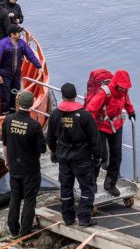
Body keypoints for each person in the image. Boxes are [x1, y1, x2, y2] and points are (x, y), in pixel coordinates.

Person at [46, 82, 101, 228]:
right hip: (82, 158)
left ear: (62, 96)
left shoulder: (55, 114)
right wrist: (98, 157)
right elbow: (94, 139)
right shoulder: (84, 115)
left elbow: (50, 137)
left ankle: (68, 218)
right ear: (76, 96)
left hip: (63, 157)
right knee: (87, 187)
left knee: (66, 187)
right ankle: (84, 218)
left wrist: (53, 151)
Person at [2, 90, 46, 237]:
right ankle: (25, 232)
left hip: (14, 165)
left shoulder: (8, 119)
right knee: (29, 199)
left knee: (15, 198)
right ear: (32, 105)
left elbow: (5, 144)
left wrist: (6, 160)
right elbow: (42, 149)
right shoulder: (34, 125)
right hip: (30, 168)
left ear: (19, 103)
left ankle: (13, 229)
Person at [85, 69, 135, 197]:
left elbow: (127, 101)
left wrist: (131, 111)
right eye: (122, 88)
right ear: (116, 84)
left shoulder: (124, 92)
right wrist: (90, 127)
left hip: (117, 126)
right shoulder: (104, 93)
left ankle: (110, 184)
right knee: (100, 156)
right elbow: (90, 110)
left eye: (126, 88)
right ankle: (92, 183)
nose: (124, 90)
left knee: (117, 157)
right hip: (100, 127)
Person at [0, 25, 42, 115]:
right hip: (5, 75)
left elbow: (30, 55)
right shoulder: (3, 44)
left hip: (16, 74)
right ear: (12, 34)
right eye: (18, 33)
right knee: (5, 97)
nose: (20, 34)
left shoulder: (21, 43)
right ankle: (4, 115)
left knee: (15, 95)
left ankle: (12, 114)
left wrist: (39, 66)